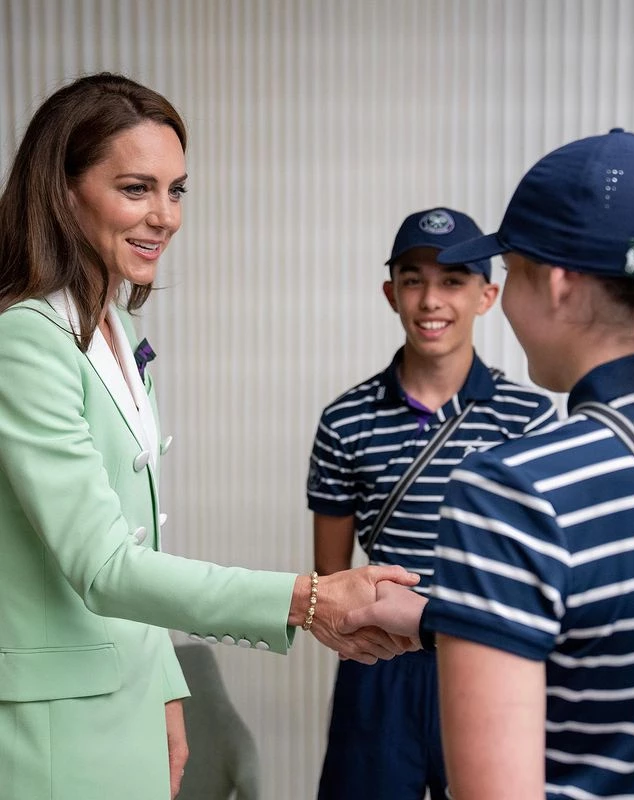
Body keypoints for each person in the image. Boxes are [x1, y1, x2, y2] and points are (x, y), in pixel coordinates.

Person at [0, 72, 420, 800]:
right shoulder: (23, 342)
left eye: (177, 189)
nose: (165, 216)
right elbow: (102, 566)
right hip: (55, 725)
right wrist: (308, 598)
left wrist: (166, 687)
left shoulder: (120, 331)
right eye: (136, 188)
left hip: (128, 697)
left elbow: (138, 542)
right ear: (63, 193)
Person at [342, 128, 634, 798]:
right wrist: (430, 618)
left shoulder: (514, 489)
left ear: (558, 285)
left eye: (510, 271)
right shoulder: (349, 417)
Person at [306, 207, 557, 799]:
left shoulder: (532, 418)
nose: (430, 300)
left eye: (453, 280)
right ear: (391, 293)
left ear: (487, 294)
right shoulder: (346, 421)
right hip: (380, 667)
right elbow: (331, 577)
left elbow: (543, 569)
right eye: (414, 279)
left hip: (492, 657)